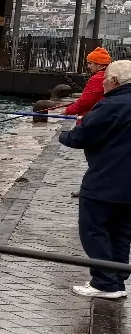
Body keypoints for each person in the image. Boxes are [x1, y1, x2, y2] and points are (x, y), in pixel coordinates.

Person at [59, 59, 131, 299]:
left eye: (106, 80)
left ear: (114, 80)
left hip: (106, 181)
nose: (103, 85)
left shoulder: (111, 105)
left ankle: (104, 283)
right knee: (121, 233)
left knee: (93, 230)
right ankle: (117, 281)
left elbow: (81, 137)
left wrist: (64, 135)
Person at [64, 47, 114, 118]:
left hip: (92, 116)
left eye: (90, 63)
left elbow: (85, 101)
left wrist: (67, 111)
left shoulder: (97, 79)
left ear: (99, 65)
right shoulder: (111, 75)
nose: (88, 66)